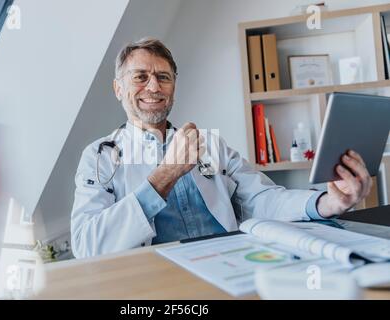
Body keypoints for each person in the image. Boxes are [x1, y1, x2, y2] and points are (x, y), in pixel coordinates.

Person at [70, 38, 372, 258]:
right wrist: (164, 176)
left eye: (163, 77)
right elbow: (88, 246)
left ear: (174, 86)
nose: (153, 87)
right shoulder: (100, 157)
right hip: (157, 280)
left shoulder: (210, 144)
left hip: (231, 264)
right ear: (118, 88)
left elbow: (262, 198)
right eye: (140, 77)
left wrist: (325, 204)